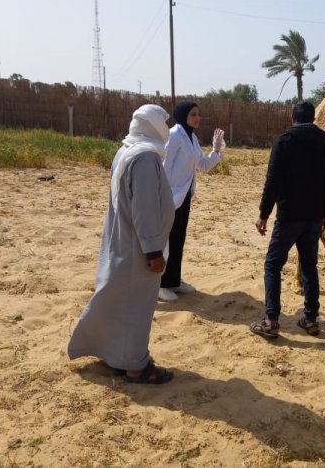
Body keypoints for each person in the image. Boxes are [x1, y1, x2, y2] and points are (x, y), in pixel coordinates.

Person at [68, 104, 176, 384]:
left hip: (123, 241)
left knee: (119, 302)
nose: (168, 126)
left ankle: (116, 354)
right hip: (137, 250)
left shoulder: (127, 150)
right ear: (153, 125)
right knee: (135, 308)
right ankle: (135, 366)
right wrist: (153, 251)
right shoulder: (144, 158)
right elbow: (145, 208)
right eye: (164, 121)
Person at [250, 101, 325, 339]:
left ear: (292, 118)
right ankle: (310, 319)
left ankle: (271, 321)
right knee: (309, 266)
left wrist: (263, 214)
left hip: (288, 217)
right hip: (313, 218)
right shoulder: (324, 143)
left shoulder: (284, 141)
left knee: (273, 264)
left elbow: (272, 181)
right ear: (314, 118)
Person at [159, 101, 225, 302]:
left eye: (198, 114)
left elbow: (203, 166)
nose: (197, 117)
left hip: (184, 197)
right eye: (193, 114)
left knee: (178, 239)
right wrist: (161, 196)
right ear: (182, 115)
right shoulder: (174, 135)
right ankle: (160, 284)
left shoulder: (192, 138)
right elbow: (163, 167)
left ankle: (174, 280)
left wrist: (216, 150)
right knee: (166, 241)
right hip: (169, 197)